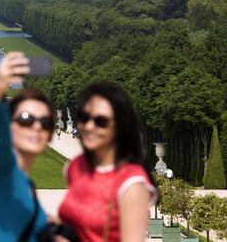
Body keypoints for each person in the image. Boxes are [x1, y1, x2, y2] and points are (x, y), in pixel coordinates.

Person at [58, 82, 157, 242]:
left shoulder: (132, 184)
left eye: (100, 122)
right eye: (84, 117)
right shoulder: (75, 166)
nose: (89, 126)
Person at [0, 52, 55, 241]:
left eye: (45, 121)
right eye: (26, 119)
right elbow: (0, 140)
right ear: (10, 124)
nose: (36, 127)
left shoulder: (26, 185)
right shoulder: (0, 168)